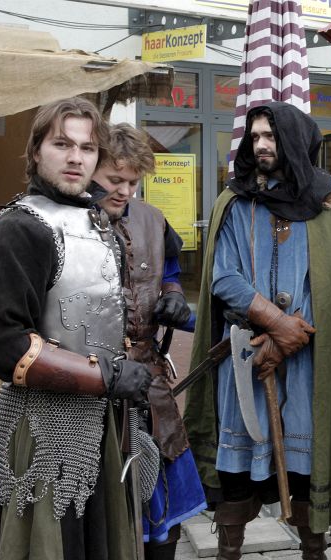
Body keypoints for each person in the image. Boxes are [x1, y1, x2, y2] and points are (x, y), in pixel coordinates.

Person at [183, 101, 331, 560]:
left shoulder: (330, 205)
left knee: (307, 463)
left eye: (270, 136)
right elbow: (224, 278)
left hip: (309, 360)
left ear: (295, 142)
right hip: (246, 354)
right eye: (255, 137)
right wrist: (275, 323)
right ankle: (229, 552)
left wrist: (292, 335)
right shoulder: (234, 202)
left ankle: (314, 550)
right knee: (238, 470)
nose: (261, 145)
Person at [0, 97, 155, 559]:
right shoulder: (18, 230)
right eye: (62, 144)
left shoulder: (96, 224)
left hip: (101, 420)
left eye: (87, 148)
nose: (76, 157)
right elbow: (5, 345)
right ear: (36, 151)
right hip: (45, 427)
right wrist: (106, 376)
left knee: (101, 543)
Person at [92, 123, 207, 559]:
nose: (124, 191)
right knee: (103, 502)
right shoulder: (68, 221)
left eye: (132, 182)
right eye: (114, 180)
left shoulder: (151, 219)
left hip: (148, 375)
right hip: (89, 377)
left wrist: (173, 296)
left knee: (164, 496)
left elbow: (169, 270)